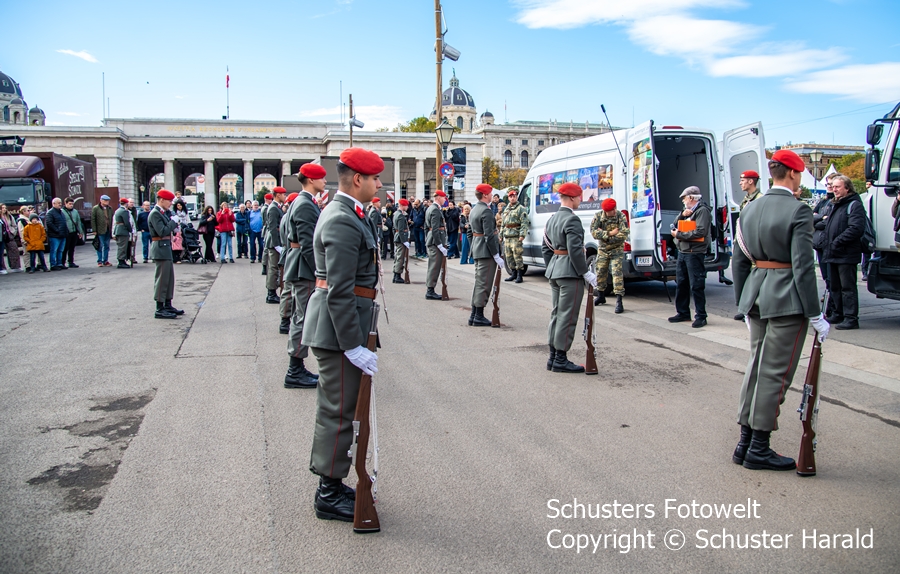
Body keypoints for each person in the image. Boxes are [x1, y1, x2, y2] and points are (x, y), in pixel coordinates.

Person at [731, 148, 828, 471]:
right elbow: (803, 266)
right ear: (794, 174)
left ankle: (745, 443)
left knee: (756, 368)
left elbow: (739, 261)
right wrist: (814, 313)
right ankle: (758, 448)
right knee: (775, 374)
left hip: (757, 293)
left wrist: (743, 302)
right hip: (786, 298)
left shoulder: (750, 209)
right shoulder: (798, 210)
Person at [303, 147, 382, 523]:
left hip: (344, 325)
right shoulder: (341, 219)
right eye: (375, 178)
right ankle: (328, 492)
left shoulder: (350, 213)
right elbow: (339, 290)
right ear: (357, 179)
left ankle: (332, 484)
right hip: (338, 331)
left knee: (344, 408)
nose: (379, 184)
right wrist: (351, 344)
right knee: (337, 411)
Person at [542, 182, 595, 373]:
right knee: (568, 316)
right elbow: (575, 250)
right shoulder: (572, 220)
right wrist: (585, 272)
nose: (580, 200)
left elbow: (546, 248)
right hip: (569, 273)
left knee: (557, 314)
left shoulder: (552, 219)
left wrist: (554, 267)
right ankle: (560, 359)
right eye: (579, 197)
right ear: (572, 198)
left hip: (555, 269)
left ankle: (553, 357)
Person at [284, 163, 327, 388]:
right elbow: (309, 244)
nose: (325, 181)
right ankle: (294, 370)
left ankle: (297, 368)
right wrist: (320, 271)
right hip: (304, 267)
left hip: (300, 263)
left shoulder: (302, 201)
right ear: (311, 180)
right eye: (322, 178)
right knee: (303, 318)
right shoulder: (304, 204)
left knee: (300, 316)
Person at [823, 174, 865, 330]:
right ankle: (838, 313)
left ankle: (850, 318)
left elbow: (856, 228)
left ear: (847, 188)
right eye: (833, 187)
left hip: (845, 253)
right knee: (835, 286)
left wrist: (837, 242)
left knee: (847, 287)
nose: (834, 189)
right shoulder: (836, 204)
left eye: (837, 187)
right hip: (834, 252)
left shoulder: (854, 205)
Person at [668, 186, 711, 328]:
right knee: (682, 283)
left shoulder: (702, 211)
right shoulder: (687, 211)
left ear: (692, 198)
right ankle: (683, 312)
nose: (683, 201)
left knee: (696, 285)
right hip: (683, 251)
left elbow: (700, 232)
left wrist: (679, 235)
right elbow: (674, 224)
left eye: (684, 198)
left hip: (694, 252)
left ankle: (701, 316)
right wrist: (682, 215)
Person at [469, 184, 505, 326]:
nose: (491, 195)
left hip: (478, 249)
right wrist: (496, 254)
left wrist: (474, 246)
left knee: (479, 283)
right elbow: (489, 236)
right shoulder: (486, 211)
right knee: (484, 284)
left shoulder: (474, 210)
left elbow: (470, 232)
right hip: (486, 252)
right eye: (490, 193)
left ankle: (474, 315)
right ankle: (478, 315)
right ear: (485, 195)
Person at [724, 170, 762, 294]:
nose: (740, 183)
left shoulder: (760, 199)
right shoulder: (747, 199)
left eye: (742, 180)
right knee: (740, 274)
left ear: (751, 181)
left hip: (752, 244)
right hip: (742, 242)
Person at [148, 190, 184, 319]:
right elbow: (162, 231)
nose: (170, 204)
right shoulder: (155, 213)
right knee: (162, 279)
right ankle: (159, 308)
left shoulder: (162, 213)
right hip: (160, 248)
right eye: (169, 201)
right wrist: (173, 222)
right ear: (161, 200)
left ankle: (167, 304)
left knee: (169, 279)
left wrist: (174, 226)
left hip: (165, 248)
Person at [590, 197, 629, 313]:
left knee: (617, 273)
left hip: (616, 250)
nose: (614, 211)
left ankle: (619, 301)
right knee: (600, 271)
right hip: (603, 250)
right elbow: (593, 232)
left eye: (614, 209)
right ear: (605, 211)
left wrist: (605, 237)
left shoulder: (620, 216)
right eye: (611, 210)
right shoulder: (598, 216)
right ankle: (601, 296)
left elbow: (624, 233)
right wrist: (610, 233)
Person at [501, 187, 530, 283]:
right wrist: (501, 235)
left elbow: (524, 223)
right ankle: (513, 274)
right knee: (509, 257)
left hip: (516, 236)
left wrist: (522, 235)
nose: (512, 198)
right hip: (507, 236)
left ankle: (519, 275)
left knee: (517, 256)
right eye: (510, 196)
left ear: (517, 197)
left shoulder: (521, 209)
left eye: (514, 196)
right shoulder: (506, 209)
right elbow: (503, 223)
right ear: (508, 198)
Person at [425, 190, 449, 300]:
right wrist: (439, 244)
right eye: (444, 198)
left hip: (433, 240)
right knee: (434, 267)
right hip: (435, 241)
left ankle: (431, 289)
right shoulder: (435, 209)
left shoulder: (431, 208)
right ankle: (430, 290)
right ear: (439, 197)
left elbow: (428, 228)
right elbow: (435, 229)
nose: (445, 200)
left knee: (434, 266)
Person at [264, 187, 286, 304]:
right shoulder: (273, 208)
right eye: (283, 194)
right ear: (278, 195)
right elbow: (272, 227)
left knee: (274, 267)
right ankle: (271, 294)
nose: (284, 196)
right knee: (273, 268)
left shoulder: (276, 207)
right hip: (273, 242)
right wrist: (277, 245)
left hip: (275, 241)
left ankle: (271, 293)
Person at [45, 198, 69, 270]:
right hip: (54, 235)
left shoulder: (61, 212)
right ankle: (53, 265)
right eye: (58, 203)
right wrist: (57, 230)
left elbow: (64, 223)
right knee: (54, 250)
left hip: (62, 235)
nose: (60, 204)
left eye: (60, 202)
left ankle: (59, 263)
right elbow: (49, 223)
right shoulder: (50, 213)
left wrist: (66, 231)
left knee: (60, 250)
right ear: (53, 204)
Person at [61, 198, 84, 269]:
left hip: (74, 232)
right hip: (67, 232)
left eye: (72, 204)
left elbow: (78, 222)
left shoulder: (75, 211)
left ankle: (71, 262)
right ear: (65, 203)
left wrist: (80, 232)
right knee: (65, 248)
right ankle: (62, 262)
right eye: (69, 204)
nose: (71, 205)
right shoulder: (62, 211)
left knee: (72, 248)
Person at [0, 204, 23, 273]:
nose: (4, 209)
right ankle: (2, 268)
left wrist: (13, 233)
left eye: (5, 208)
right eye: (2, 208)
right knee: (1, 253)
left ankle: (15, 266)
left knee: (14, 250)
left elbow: (14, 226)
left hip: (9, 235)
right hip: (1, 236)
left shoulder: (9, 216)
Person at [91, 194, 113, 267]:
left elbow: (112, 218)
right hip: (100, 230)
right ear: (101, 200)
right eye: (105, 200)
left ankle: (105, 260)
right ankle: (99, 261)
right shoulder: (96, 208)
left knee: (107, 246)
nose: (107, 202)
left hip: (108, 229)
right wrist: (94, 230)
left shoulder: (109, 208)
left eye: (108, 201)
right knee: (100, 246)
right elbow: (93, 219)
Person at [392, 198, 410, 283]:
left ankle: (395, 275)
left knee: (398, 256)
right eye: (406, 206)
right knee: (400, 257)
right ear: (402, 206)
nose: (407, 207)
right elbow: (400, 230)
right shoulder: (400, 215)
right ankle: (397, 275)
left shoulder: (396, 214)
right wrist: (404, 241)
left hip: (397, 237)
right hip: (400, 238)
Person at [113, 198, 134, 269]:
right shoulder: (124, 211)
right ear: (126, 204)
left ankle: (122, 261)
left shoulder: (117, 210)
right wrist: (130, 230)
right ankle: (121, 261)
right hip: (123, 231)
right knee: (123, 247)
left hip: (118, 230)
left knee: (121, 246)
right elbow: (127, 222)